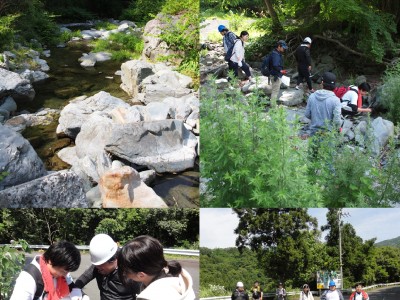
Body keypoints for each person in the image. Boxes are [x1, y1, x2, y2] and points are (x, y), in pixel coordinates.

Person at [117, 235, 195, 300]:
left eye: (126, 271)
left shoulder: (149, 297)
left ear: (141, 275)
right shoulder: (178, 277)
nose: (124, 273)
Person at [75, 234, 140, 300]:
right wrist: (81, 294)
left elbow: (142, 292)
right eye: (96, 265)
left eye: (101, 265)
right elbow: (80, 282)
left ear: (113, 260)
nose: (98, 268)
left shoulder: (129, 269)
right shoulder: (98, 267)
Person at [10, 241, 82, 300]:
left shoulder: (61, 273)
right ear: (51, 261)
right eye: (64, 271)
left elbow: (72, 286)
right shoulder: (28, 278)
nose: (66, 275)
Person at [304, 71, 342, 136]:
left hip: (313, 133)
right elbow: (337, 121)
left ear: (322, 83)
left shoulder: (312, 96)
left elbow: (307, 114)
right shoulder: (336, 100)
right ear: (334, 86)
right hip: (328, 136)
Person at [270, 40, 288, 106]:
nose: (284, 49)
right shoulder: (276, 55)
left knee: (275, 90)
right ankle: (273, 106)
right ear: (279, 46)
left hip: (275, 74)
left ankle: (273, 104)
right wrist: (281, 71)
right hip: (275, 75)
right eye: (283, 47)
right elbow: (275, 65)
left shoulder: (275, 53)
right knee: (275, 91)